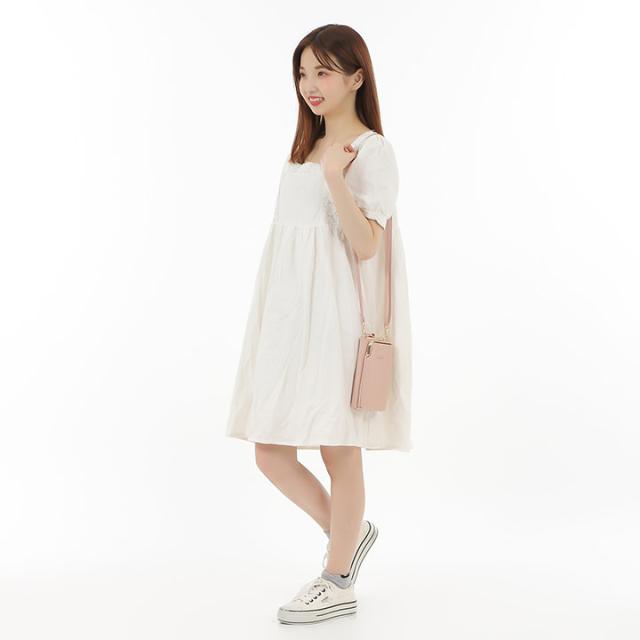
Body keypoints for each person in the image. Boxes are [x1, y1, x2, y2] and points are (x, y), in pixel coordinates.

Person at [225, 23, 413, 624]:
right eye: (303, 72)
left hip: (337, 321)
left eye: (324, 71)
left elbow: (367, 246)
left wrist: (336, 179)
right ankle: (347, 534)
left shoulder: (371, 152)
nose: (310, 84)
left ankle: (338, 579)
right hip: (289, 320)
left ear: (357, 77)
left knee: (338, 447)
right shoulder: (302, 149)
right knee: (269, 451)